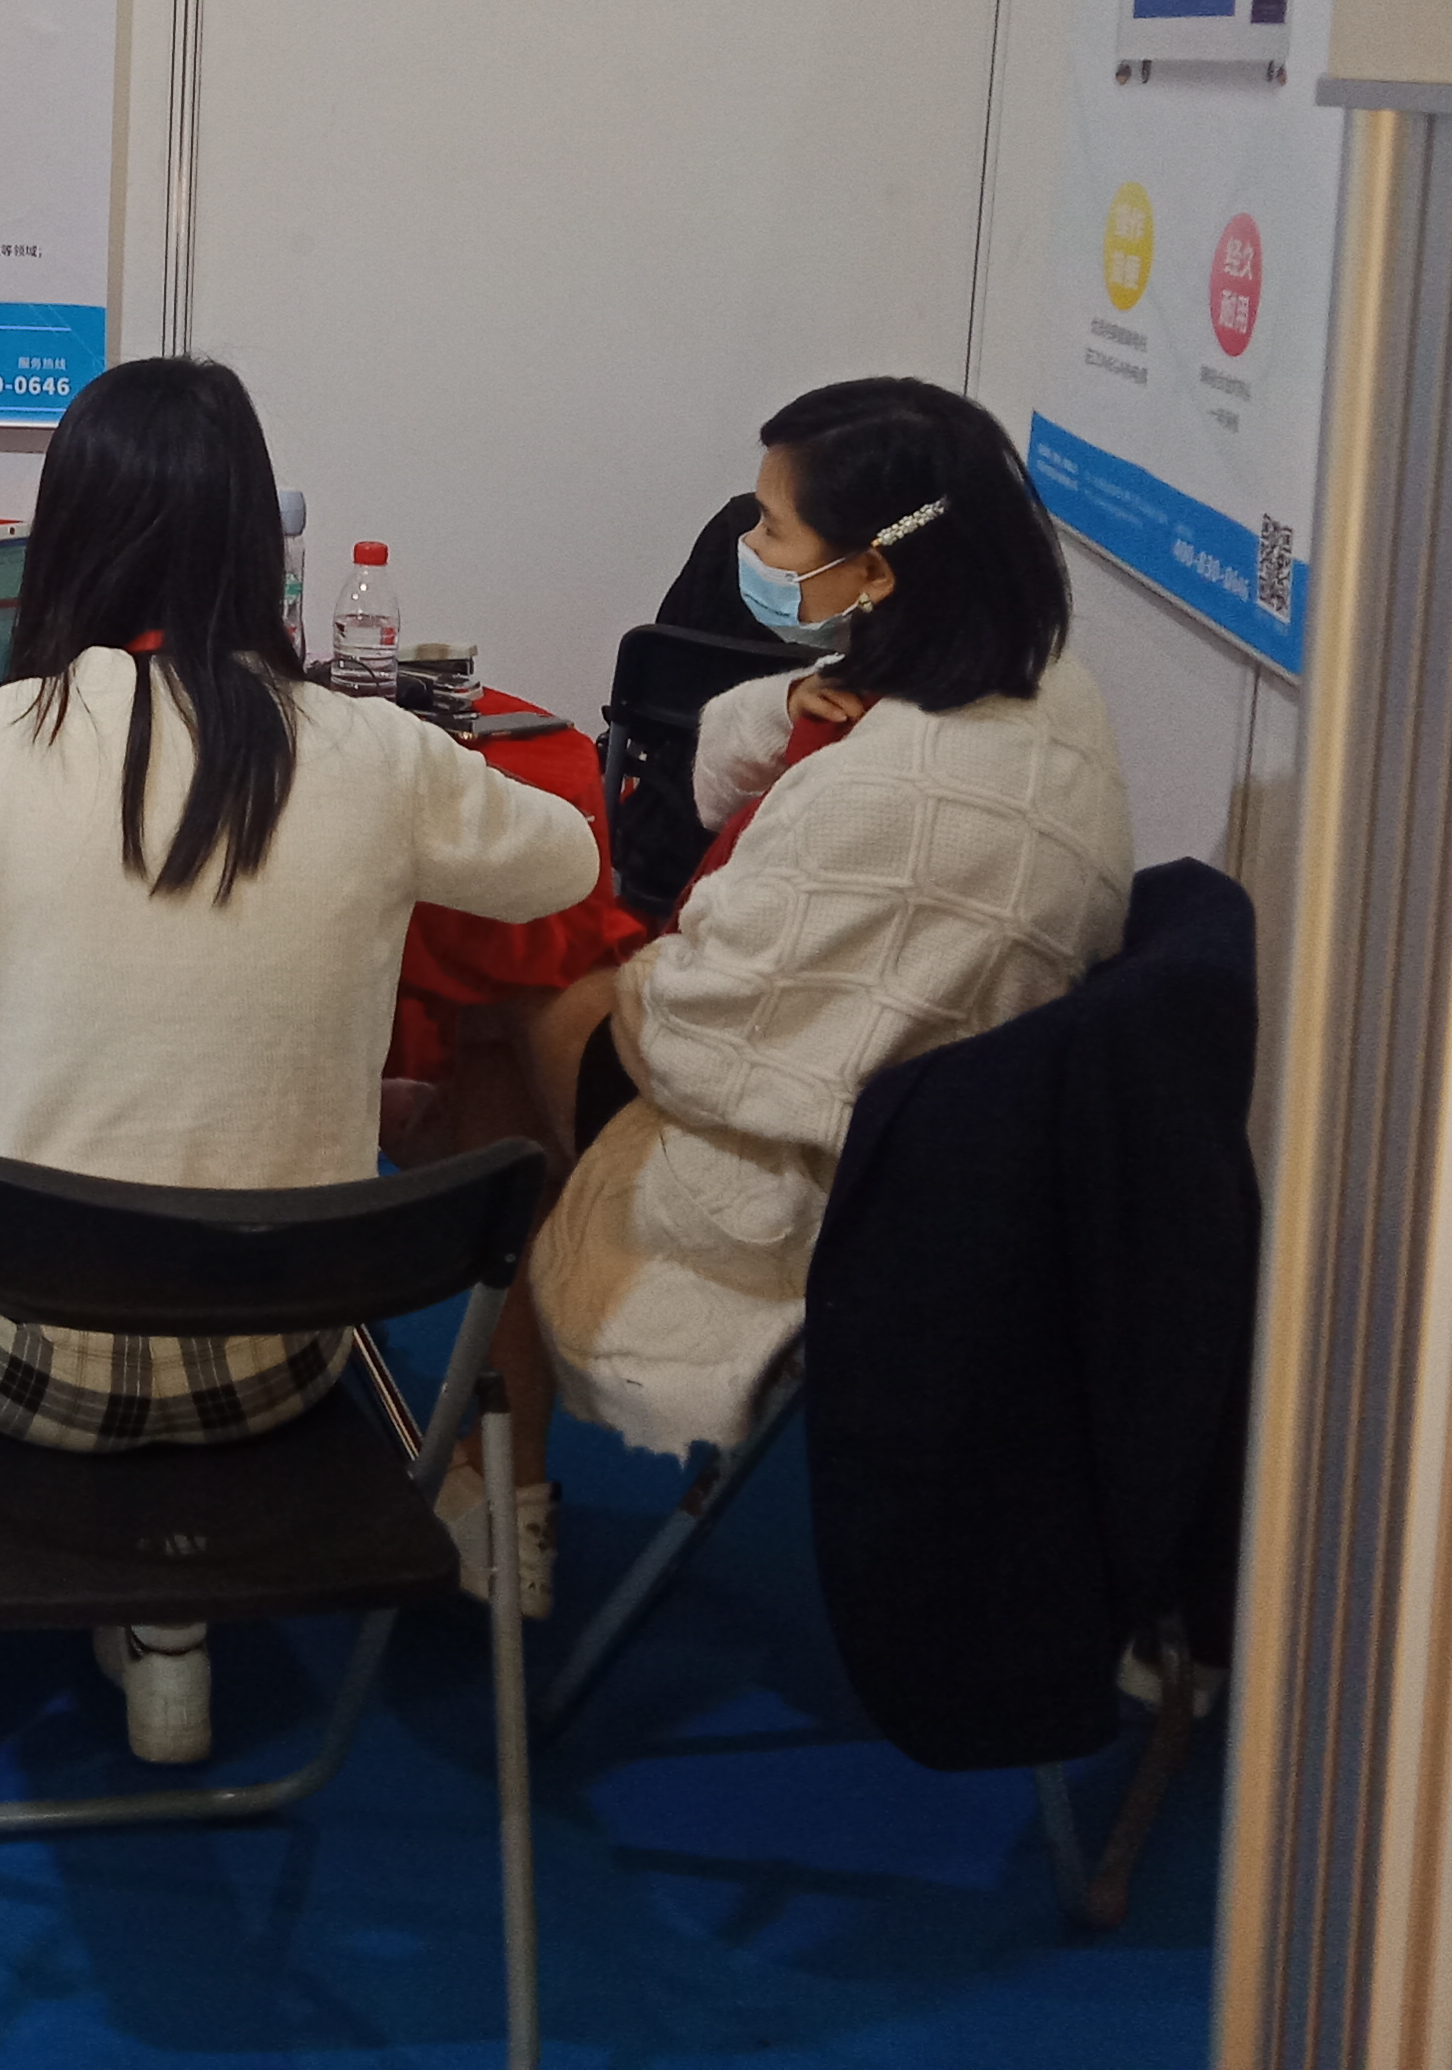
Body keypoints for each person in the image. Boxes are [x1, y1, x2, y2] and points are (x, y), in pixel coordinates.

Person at [0, 357, 601, 1805]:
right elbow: (565, 860)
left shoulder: (0, 739)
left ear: (70, 532)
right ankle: (170, 1641)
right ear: (262, 544)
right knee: (205, 1248)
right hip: (276, 1360)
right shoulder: (374, 754)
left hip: (16, 1363)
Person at [460, 376, 1132, 1615]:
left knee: (495, 1004)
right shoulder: (1041, 696)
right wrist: (784, 711)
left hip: (806, 1190)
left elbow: (698, 1034)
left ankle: (494, 1495)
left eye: (772, 529)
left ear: (874, 570)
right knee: (510, 1052)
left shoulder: (886, 791)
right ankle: (492, 1504)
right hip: (946, 1160)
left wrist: (618, 979)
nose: (748, 553)